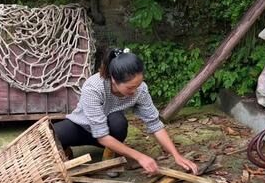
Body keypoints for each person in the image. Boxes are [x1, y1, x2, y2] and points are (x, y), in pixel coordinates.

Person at [53, 47, 198, 176]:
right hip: (82, 128)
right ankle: (65, 152)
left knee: (118, 121)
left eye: (138, 85)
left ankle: (110, 156)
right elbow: (101, 135)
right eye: (130, 87)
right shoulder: (93, 87)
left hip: (110, 133)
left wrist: (176, 155)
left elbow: (155, 124)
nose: (135, 91)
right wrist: (140, 157)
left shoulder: (140, 90)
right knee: (53, 134)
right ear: (114, 80)